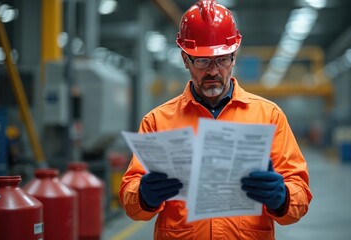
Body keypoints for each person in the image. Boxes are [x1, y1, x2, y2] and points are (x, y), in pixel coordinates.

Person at [119, 0, 312, 239]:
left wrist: (282, 198)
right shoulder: (157, 121)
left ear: (234, 57)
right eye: (201, 61)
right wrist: (143, 196)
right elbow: (130, 201)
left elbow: (300, 195)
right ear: (185, 59)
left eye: (222, 59)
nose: (213, 71)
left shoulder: (269, 116)